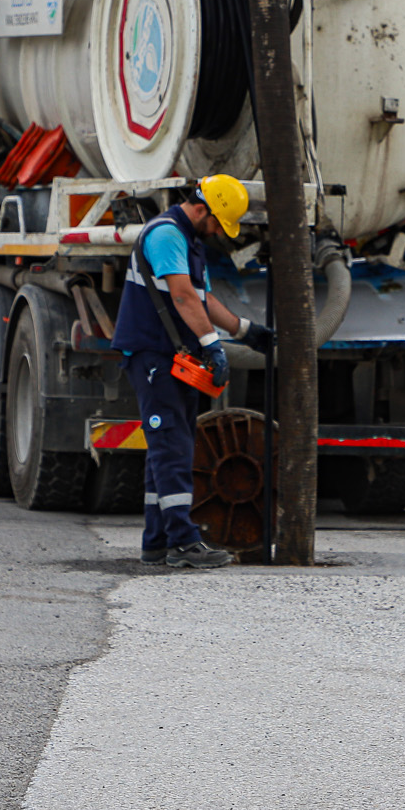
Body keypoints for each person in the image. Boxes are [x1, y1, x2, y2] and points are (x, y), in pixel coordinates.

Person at [113, 174, 273, 569]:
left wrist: (243, 331)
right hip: (155, 356)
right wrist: (212, 345)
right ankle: (183, 543)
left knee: (168, 446)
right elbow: (182, 295)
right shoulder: (167, 236)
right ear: (201, 209)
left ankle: (157, 542)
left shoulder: (187, 240)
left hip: (168, 358)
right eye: (219, 222)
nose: (220, 232)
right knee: (173, 447)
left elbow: (201, 298)